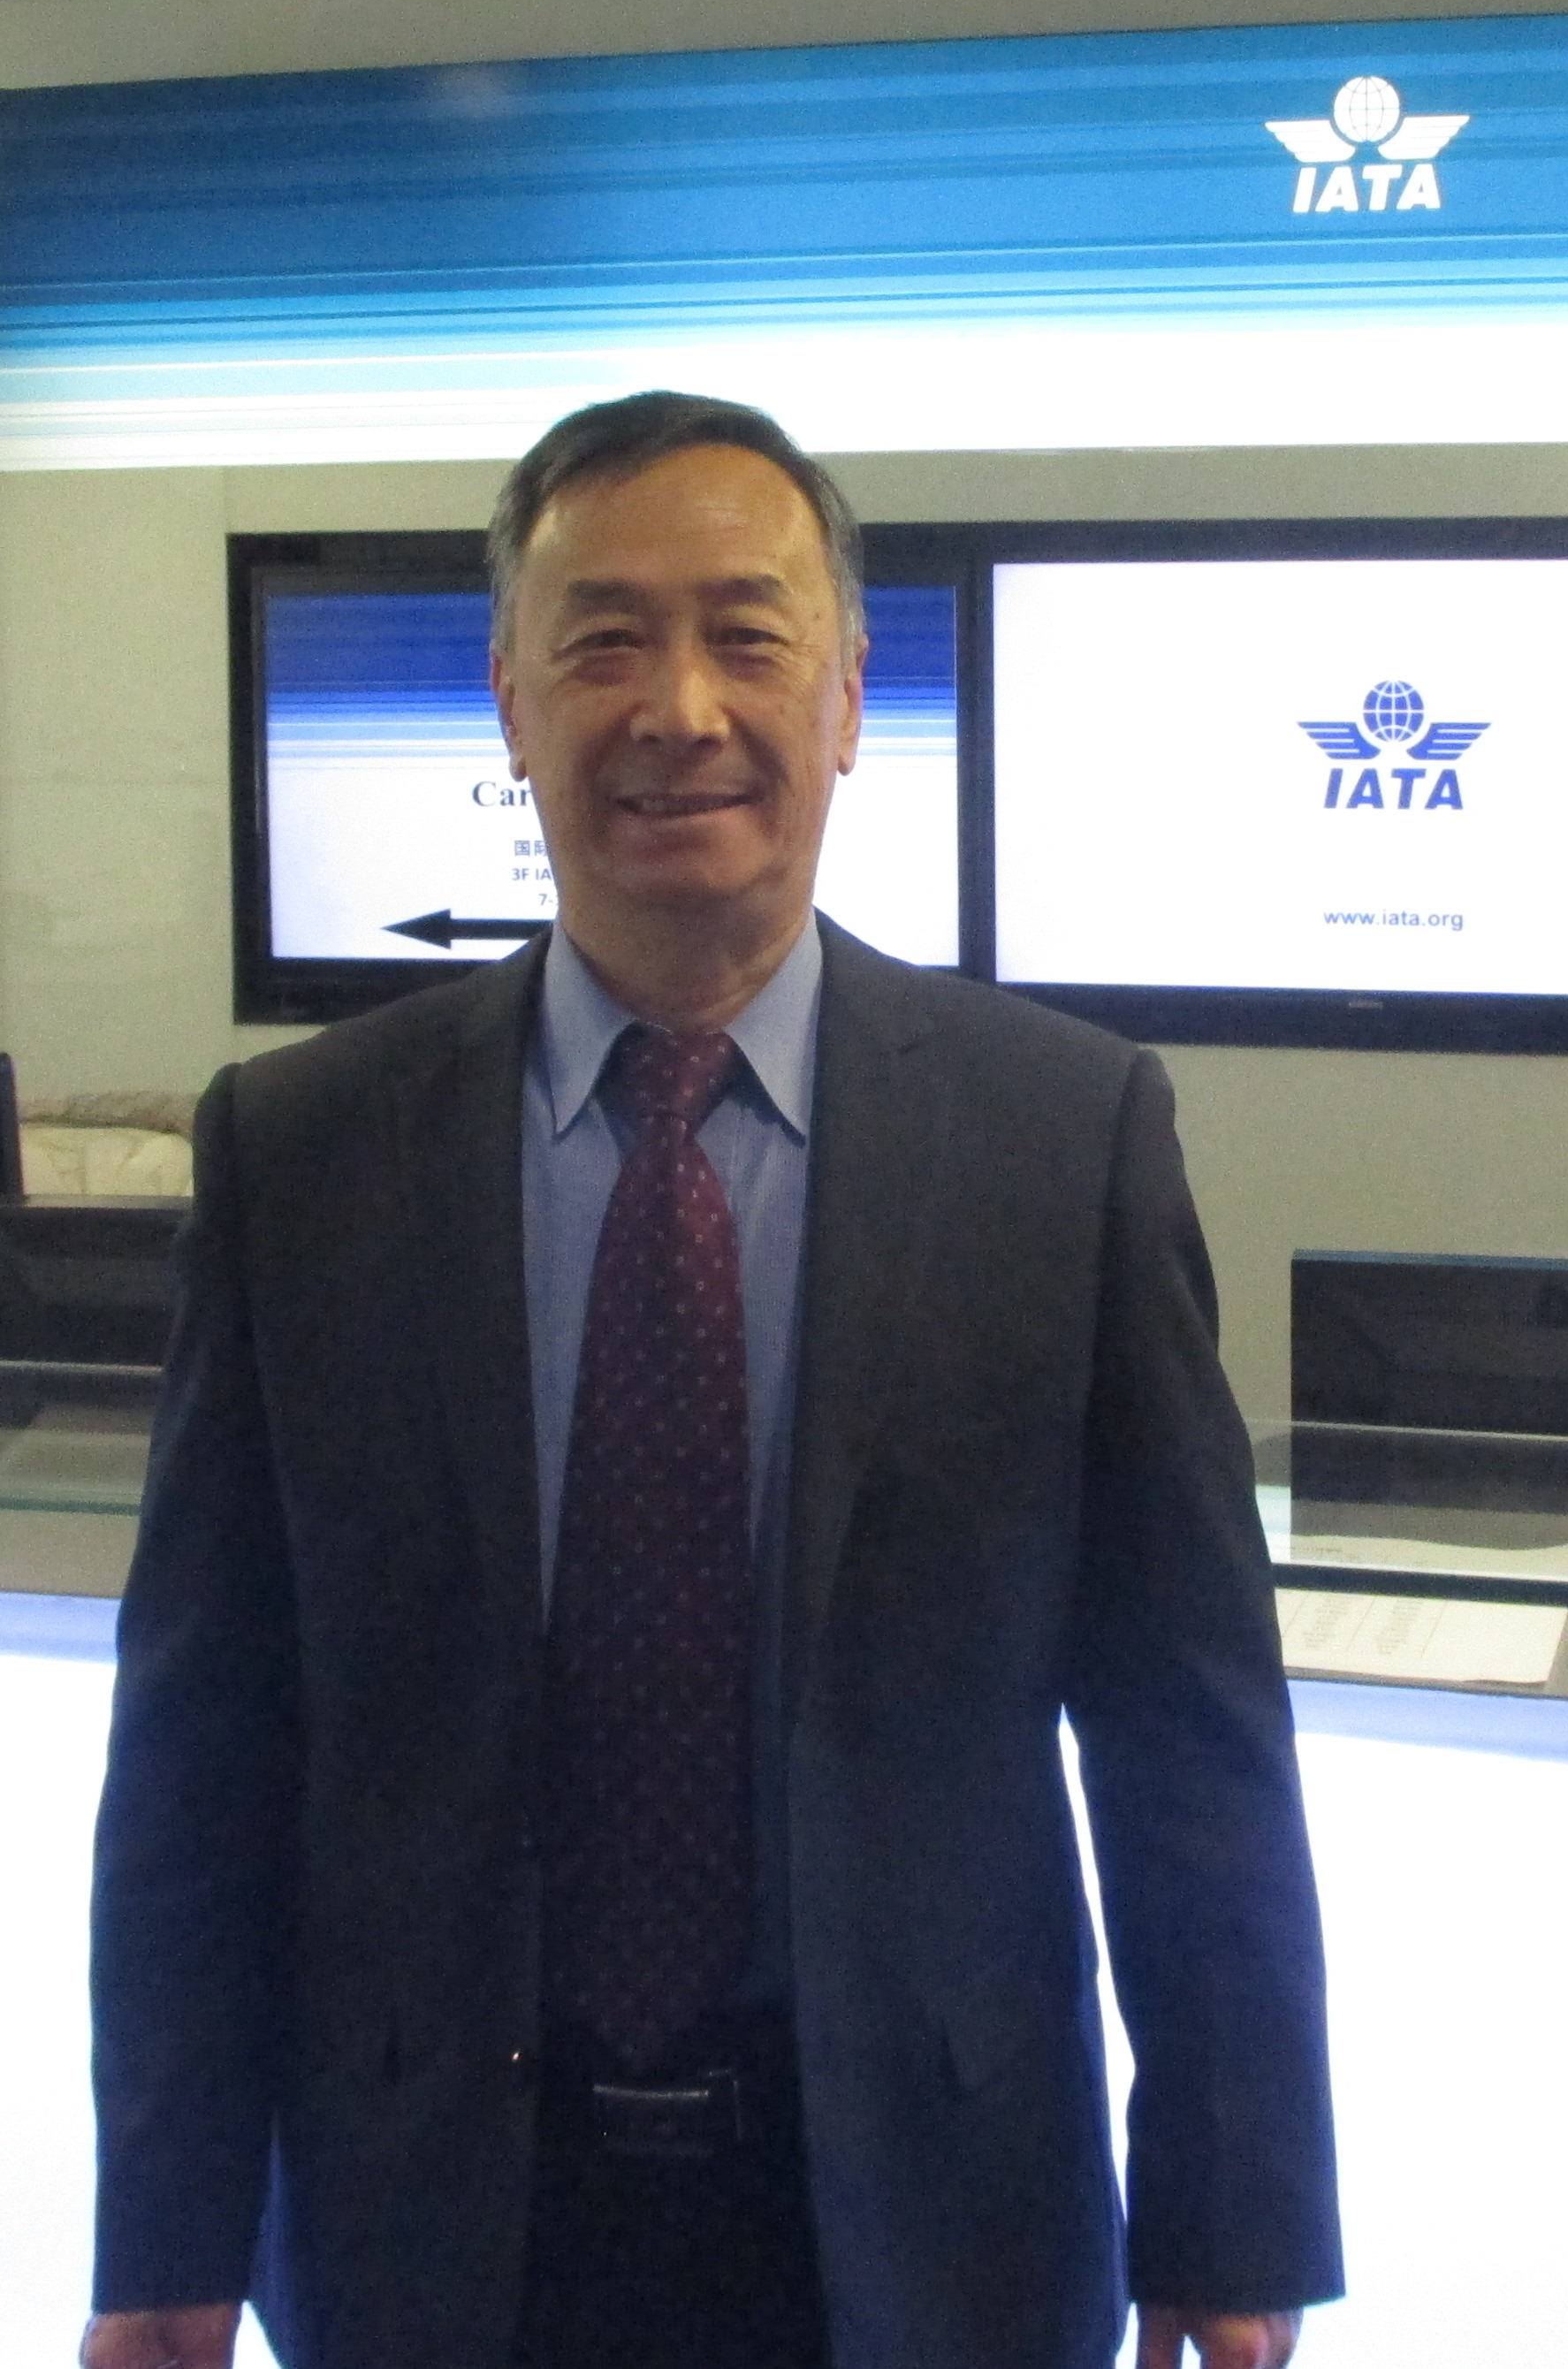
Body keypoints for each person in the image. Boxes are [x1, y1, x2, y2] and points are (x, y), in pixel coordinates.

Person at [82, 392, 1341, 2369]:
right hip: (431, 2219)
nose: (678, 709)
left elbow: (1187, 1724)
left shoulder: (1061, 1137)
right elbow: (203, 1742)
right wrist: (164, 2222)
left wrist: (1229, 2200)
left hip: (933, 2220)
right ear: (509, 699)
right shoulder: (304, 1150)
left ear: (845, 697)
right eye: (602, 640)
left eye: (747, 635)